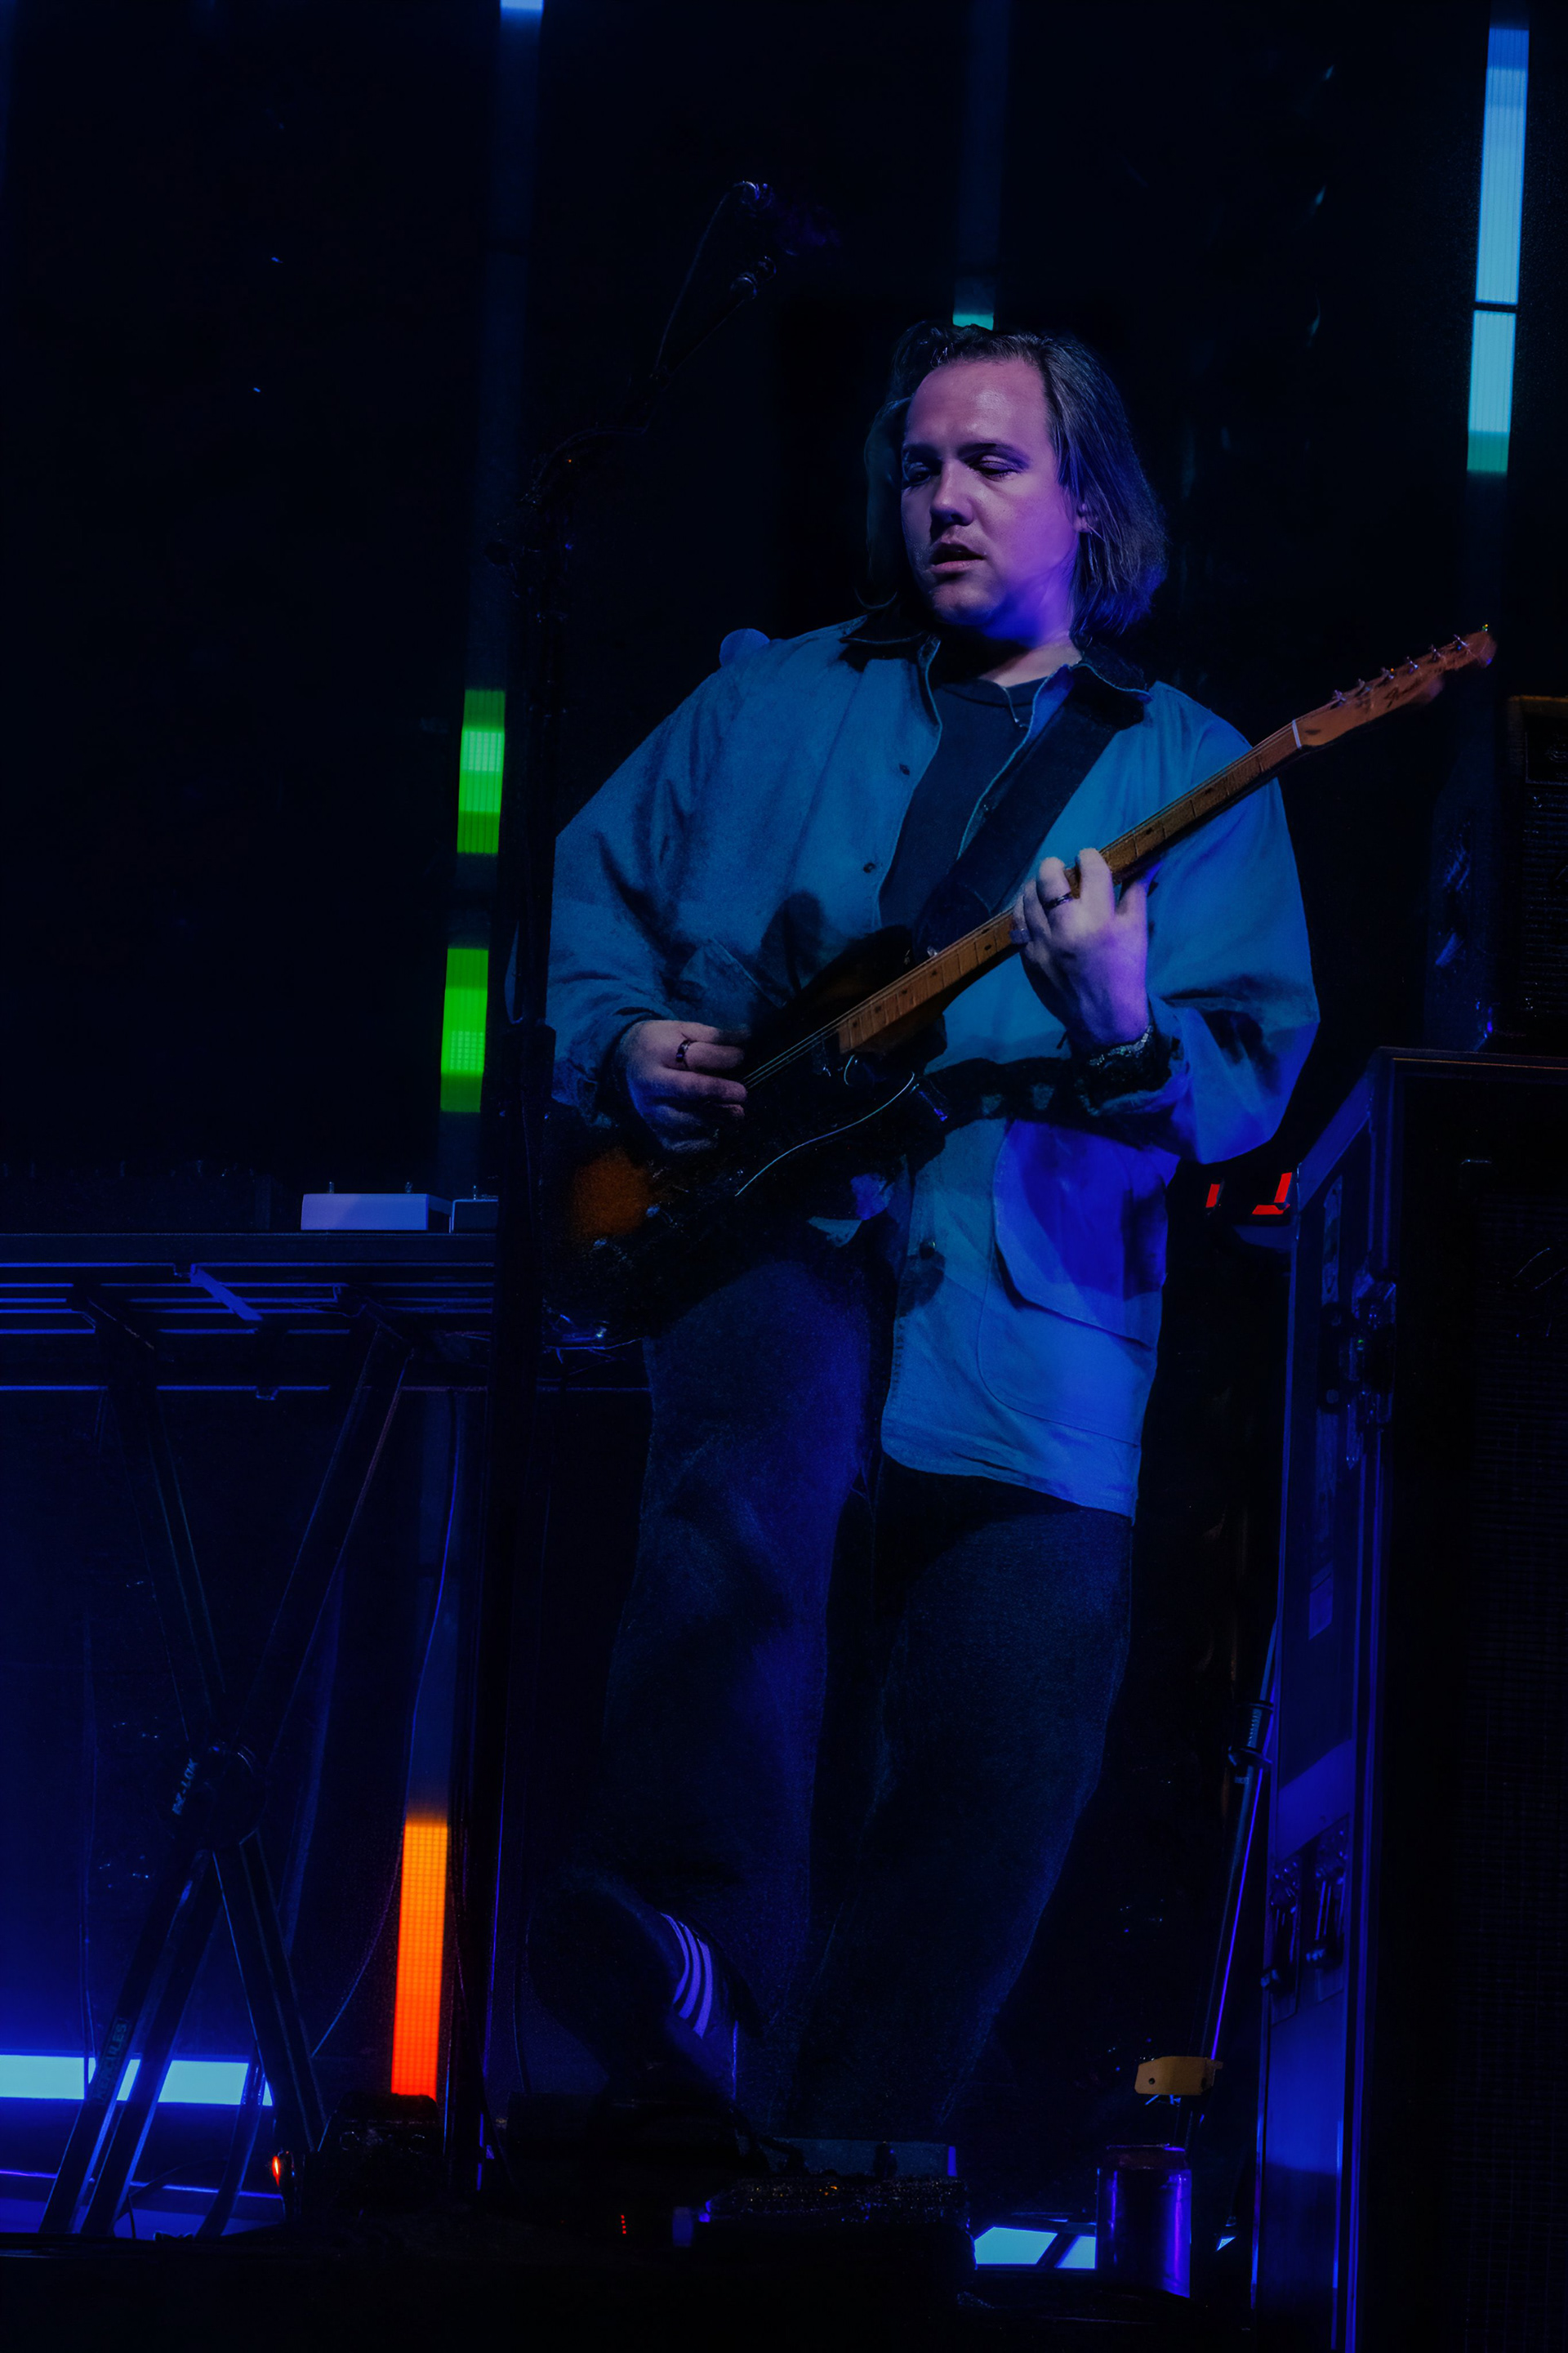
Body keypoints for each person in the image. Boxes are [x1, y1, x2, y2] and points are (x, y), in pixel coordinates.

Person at [534, 321, 1317, 2137]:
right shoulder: (764, 707)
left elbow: (1250, 1069)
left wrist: (1120, 1018)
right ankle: (697, 1957)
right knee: (739, 1506)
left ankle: (852, 2156)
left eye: (992, 463)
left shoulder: (1193, 765)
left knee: (1005, 1747)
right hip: (776, 1241)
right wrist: (620, 1043)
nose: (945, 498)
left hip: (1036, 1330)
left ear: (1090, 500)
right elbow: (582, 910)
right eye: (920, 467)